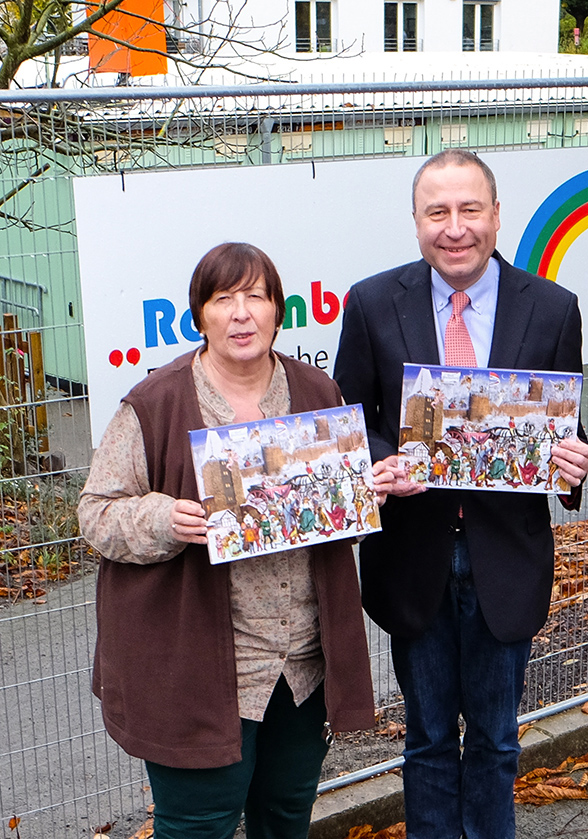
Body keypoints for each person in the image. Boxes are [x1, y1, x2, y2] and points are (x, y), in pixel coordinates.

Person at [79, 242, 391, 839]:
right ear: (199, 316)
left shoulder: (316, 393)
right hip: (200, 669)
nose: (242, 313)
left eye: (256, 296)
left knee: (285, 818)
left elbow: (324, 522)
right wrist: (163, 520)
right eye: (224, 299)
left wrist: (357, 497)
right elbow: (96, 513)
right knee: (199, 825)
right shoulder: (156, 404)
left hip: (300, 665)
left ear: (279, 310)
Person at [333, 149, 588, 839]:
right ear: (417, 221)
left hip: (504, 561)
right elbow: (351, 422)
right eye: (438, 212)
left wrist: (574, 460)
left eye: (469, 209)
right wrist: (384, 463)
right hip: (411, 556)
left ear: (496, 215)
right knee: (424, 740)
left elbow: (563, 426)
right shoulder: (369, 303)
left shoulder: (552, 308)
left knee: (494, 741)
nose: (455, 228)